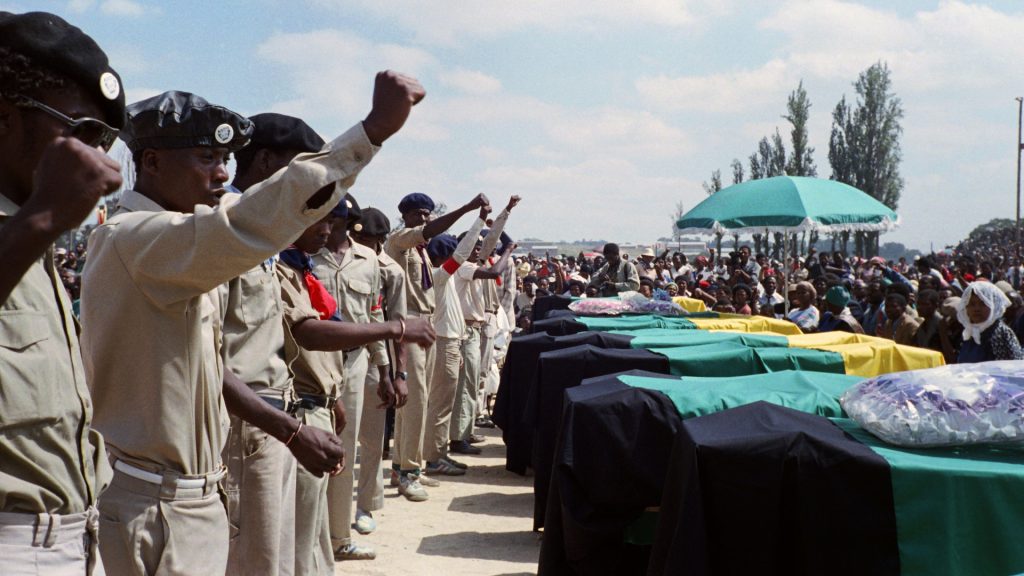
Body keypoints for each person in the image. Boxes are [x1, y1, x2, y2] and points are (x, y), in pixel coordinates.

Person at [81, 70, 427, 575]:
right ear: (151, 162)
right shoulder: (134, 239)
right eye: (207, 158)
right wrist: (369, 132)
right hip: (157, 500)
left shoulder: (169, 246)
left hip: (190, 492)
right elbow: (247, 222)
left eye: (225, 160)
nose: (222, 174)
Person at [0, 12, 124, 575]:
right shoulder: (32, 225)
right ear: (4, 117)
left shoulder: (32, 232)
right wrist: (43, 217)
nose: (98, 159)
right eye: (80, 132)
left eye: (105, 139)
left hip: (74, 536)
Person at [218, 112, 337, 576]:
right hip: (246, 421)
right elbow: (207, 355)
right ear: (265, 161)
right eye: (297, 169)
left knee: (276, 557)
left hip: (272, 417)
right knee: (253, 559)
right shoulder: (223, 231)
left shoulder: (262, 236)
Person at [386, 191, 488, 501]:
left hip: (425, 325)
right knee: (415, 402)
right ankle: (409, 471)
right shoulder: (399, 241)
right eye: (419, 213)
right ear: (404, 215)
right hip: (410, 323)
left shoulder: (420, 253)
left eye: (428, 213)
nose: (425, 219)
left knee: (417, 402)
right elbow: (426, 233)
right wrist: (468, 208)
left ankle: (402, 467)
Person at [350, 207, 408, 535]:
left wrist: (400, 374)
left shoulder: (391, 272)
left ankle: (365, 504)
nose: (357, 243)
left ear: (380, 242)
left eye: (364, 239)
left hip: (376, 362)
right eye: (354, 236)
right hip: (341, 356)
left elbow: (397, 327)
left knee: (372, 440)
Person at [449, 198, 517, 457]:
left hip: (480, 325)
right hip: (468, 328)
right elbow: (490, 248)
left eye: (481, 246)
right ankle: (458, 437)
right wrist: (508, 250)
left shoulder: (476, 263)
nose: (480, 249)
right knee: (466, 384)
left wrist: (505, 212)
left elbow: (491, 240)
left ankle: (465, 431)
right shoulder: (463, 267)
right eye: (475, 245)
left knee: (475, 380)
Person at [956, 281, 1024, 363]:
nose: (976, 309)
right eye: (972, 304)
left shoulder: (1000, 334)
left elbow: (1010, 369)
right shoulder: (969, 333)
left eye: (983, 303)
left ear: (993, 305)